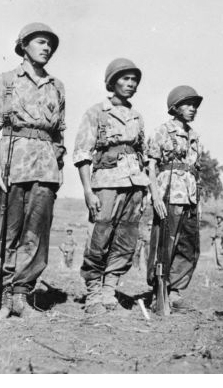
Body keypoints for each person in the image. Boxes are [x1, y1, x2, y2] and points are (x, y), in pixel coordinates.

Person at [0, 23, 65, 318]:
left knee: (36, 236)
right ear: (24, 46)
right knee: (7, 233)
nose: (47, 48)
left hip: (45, 169)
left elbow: (59, 135)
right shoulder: (4, 82)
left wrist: (59, 168)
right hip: (11, 165)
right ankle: (4, 294)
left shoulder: (57, 86)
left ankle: (21, 296)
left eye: (50, 45)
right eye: (41, 42)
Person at [74, 58, 148, 313]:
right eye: (125, 78)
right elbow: (82, 153)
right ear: (112, 81)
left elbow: (143, 155)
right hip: (105, 183)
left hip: (135, 185)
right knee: (99, 236)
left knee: (126, 239)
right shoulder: (97, 112)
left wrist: (145, 190)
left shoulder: (137, 116)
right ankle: (94, 292)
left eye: (134, 79)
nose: (130, 84)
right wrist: (87, 190)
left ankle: (110, 290)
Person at [146, 85, 203, 311]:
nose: (192, 109)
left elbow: (197, 171)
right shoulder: (162, 131)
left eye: (195, 105)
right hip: (169, 194)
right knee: (164, 246)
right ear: (175, 107)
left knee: (188, 246)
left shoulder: (195, 136)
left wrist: (200, 202)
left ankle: (176, 291)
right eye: (188, 104)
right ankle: (158, 292)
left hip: (189, 197)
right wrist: (156, 197)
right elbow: (150, 166)